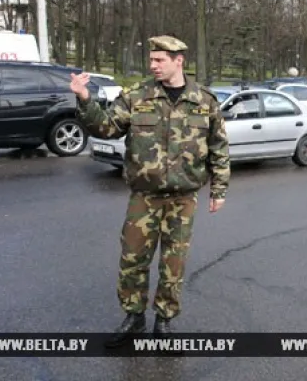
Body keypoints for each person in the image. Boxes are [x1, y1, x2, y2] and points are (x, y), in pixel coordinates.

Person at [69, 35, 230, 348]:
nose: (153, 65)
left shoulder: (204, 100)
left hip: (183, 198)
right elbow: (106, 128)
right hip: (144, 197)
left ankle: (164, 320)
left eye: (160, 60)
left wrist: (219, 189)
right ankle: (134, 318)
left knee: (174, 262)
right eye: (152, 59)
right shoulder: (137, 96)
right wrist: (85, 98)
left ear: (178, 61)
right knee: (133, 259)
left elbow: (219, 147)